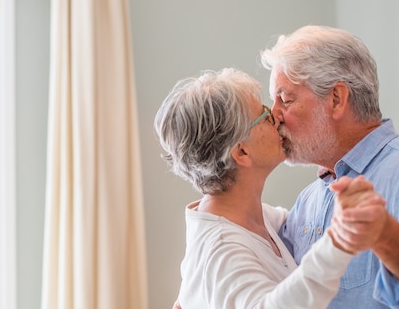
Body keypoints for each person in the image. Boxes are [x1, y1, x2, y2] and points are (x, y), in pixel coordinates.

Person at [260, 25, 399, 308]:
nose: (274, 116)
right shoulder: (307, 201)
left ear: (337, 99)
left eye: (285, 99)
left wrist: (385, 234)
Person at [155, 68, 387, 309]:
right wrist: (337, 242)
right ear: (241, 152)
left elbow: (305, 226)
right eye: (264, 115)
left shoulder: (259, 218)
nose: (276, 117)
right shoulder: (222, 249)